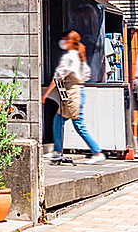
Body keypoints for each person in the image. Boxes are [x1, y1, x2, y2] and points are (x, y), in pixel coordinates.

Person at [42, 31, 105, 165]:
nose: (62, 41)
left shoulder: (69, 57)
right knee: (59, 121)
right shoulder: (79, 55)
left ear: (70, 41)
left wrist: (45, 94)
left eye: (65, 39)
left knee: (77, 124)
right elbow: (86, 74)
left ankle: (97, 152)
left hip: (72, 94)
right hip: (77, 92)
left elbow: (58, 77)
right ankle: (58, 151)